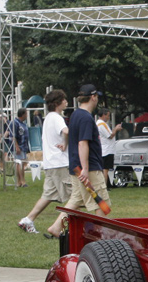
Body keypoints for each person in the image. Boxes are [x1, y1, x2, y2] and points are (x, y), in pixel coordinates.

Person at [45, 84, 110, 238]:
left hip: (75, 166)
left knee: (76, 199)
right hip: (89, 168)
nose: (97, 100)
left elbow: (71, 136)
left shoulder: (75, 115)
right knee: (102, 202)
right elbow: (82, 143)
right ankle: (99, 235)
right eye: (97, 97)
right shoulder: (86, 118)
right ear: (93, 97)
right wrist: (86, 169)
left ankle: (56, 227)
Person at [18, 90, 71, 234]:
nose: (66, 102)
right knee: (76, 197)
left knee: (48, 196)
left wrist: (65, 143)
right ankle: (60, 227)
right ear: (57, 103)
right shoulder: (57, 118)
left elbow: (62, 135)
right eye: (64, 99)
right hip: (60, 163)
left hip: (50, 163)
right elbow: (66, 131)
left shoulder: (48, 118)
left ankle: (28, 219)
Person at [96, 108, 122, 185]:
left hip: (105, 149)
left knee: (104, 169)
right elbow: (110, 135)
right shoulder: (101, 124)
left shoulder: (100, 123)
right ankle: (104, 185)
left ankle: (105, 184)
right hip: (106, 150)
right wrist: (116, 129)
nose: (108, 117)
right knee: (105, 169)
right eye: (108, 116)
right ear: (103, 115)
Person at [11, 108, 30, 188]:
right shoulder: (15, 123)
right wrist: (17, 147)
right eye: (26, 114)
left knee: (21, 163)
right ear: (22, 114)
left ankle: (19, 182)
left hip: (24, 146)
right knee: (19, 164)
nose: (27, 115)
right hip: (19, 146)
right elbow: (13, 136)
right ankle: (22, 181)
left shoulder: (23, 123)